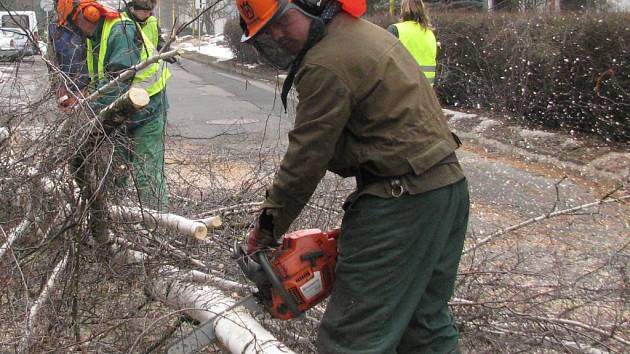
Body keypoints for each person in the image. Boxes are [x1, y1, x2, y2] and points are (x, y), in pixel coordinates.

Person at [238, 0, 470, 353]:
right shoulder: (361, 35)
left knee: (350, 341)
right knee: (423, 326)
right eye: (268, 30)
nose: (278, 34)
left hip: (401, 200)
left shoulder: (325, 62)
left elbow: (306, 158)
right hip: (445, 189)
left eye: (282, 21)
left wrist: (267, 228)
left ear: (308, 4)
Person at [55, 0, 170, 210]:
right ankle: (113, 223)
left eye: (73, 22)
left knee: (147, 175)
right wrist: (80, 96)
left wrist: (88, 112)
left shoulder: (120, 30)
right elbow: (101, 81)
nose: (74, 30)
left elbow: (118, 82)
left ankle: (160, 230)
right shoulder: (94, 38)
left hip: (148, 110)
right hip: (121, 112)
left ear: (86, 14)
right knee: (114, 171)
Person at [387, 0, 437, 86]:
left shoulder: (395, 30)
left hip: (403, 91)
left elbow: (383, 61)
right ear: (422, 10)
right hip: (427, 93)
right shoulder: (430, 33)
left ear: (403, 10)